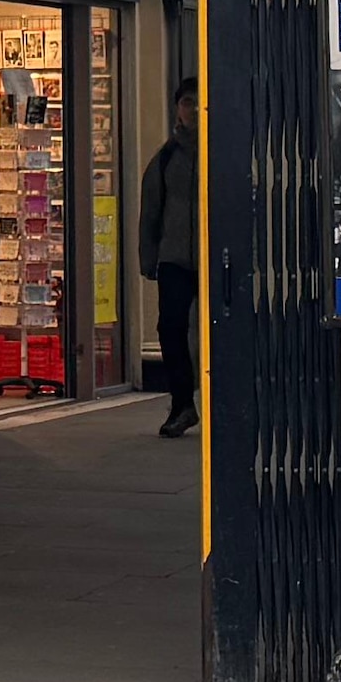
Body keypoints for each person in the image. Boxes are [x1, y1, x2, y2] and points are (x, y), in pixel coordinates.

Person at [136, 99, 200, 437]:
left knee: (222, 330)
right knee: (171, 329)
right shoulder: (166, 158)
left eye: (199, 102)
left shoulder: (220, 151)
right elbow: (150, 211)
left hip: (217, 257)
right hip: (174, 258)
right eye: (187, 103)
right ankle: (182, 404)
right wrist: (149, 259)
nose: (193, 110)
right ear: (177, 109)